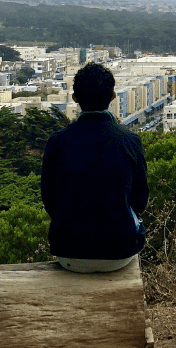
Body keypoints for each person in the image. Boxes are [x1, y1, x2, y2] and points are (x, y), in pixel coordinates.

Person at [41, 63, 149, 273]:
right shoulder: (130, 141)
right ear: (112, 97)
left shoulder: (57, 142)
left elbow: (49, 199)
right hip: (119, 253)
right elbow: (140, 200)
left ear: (75, 98)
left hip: (68, 252)